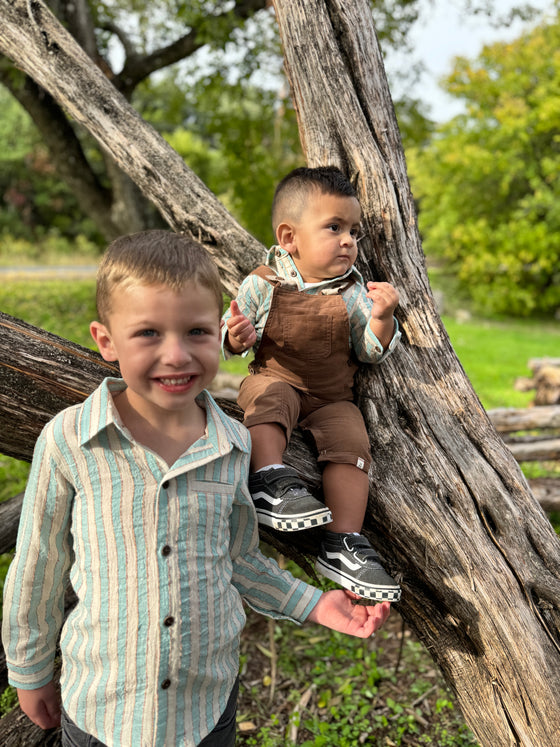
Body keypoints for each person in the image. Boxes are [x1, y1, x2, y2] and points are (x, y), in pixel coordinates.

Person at [2, 230, 390, 747]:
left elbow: (239, 559)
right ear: (106, 340)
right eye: (147, 334)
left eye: (197, 332)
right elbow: (39, 565)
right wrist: (29, 671)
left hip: (205, 710)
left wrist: (316, 605)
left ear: (223, 333)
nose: (177, 354)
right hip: (100, 708)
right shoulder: (71, 440)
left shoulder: (232, 444)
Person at [223, 166, 402, 603]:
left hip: (331, 397)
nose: (349, 241)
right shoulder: (264, 284)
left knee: (350, 437)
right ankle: (268, 478)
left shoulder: (353, 292)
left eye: (353, 231)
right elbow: (230, 335)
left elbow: (368, 351)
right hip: (275, 377)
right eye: (334, 227)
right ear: (289, 237)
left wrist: (381, 319)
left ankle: (343, 541)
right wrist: (235, 336)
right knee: (270, 399)